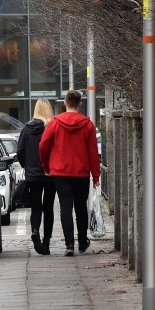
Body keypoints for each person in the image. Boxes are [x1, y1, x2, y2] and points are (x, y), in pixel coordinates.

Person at [38, 90, 101, 256]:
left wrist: (47, 166)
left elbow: (43, 145)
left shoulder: (55, 123)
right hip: (81, 172)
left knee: (65, 207)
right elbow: (93, 152)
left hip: (60, 172)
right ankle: (82, 241)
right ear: (80, 104)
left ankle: (69, 245)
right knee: (81, 207)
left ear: (65, 103)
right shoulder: (87, 124)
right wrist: (96, 175)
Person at [17, 99, 56, 255]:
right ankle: (46, 242)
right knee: (48, 207)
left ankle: (35, 231)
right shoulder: (52, 128)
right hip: (50, 173)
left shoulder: (26, 129)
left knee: (36, 206)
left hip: (32, 175)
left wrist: (27, 166)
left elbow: (20, 151)